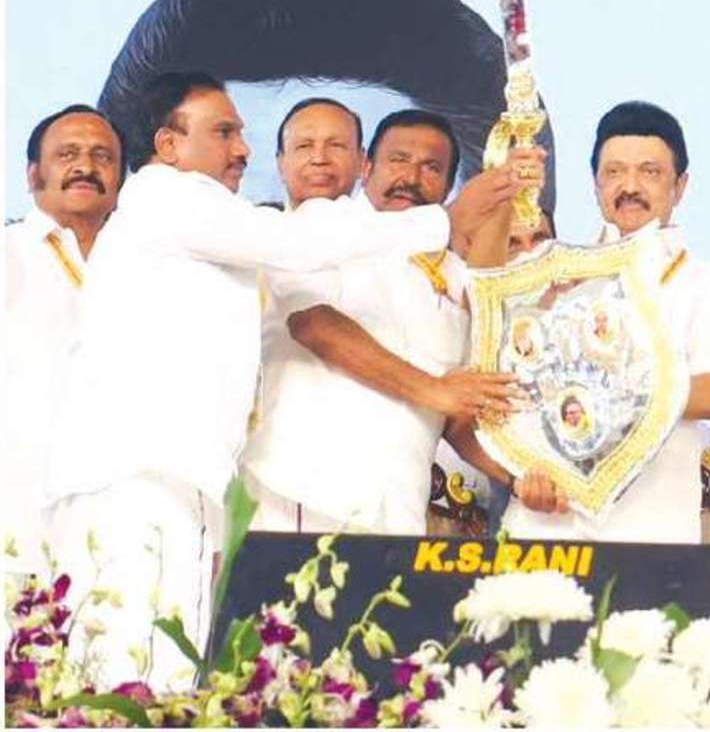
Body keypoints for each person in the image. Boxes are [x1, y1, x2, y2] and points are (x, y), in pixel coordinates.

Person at [41, 73, 523, 689]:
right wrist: (444, 220)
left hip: (163, 477)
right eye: (224, 132)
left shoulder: (188, 217)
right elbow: (294, 249)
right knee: (140, 678)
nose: (242, 149)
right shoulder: (169, 196)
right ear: (168, 145)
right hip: (144, 477)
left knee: (143, 674)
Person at [238, 107, 534, 535]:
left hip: (398, 511)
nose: (411, 177)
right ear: (367, 167)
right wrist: (436, 390)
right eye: (398, 160)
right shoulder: (321, 225)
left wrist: (521, 476)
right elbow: (314, 325)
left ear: (449, 184)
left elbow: (457, 408)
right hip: (304, 495)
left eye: (431, 167)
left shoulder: (452, 275)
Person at [495, 101, 710, 544]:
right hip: (545, 522)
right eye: (614, 172)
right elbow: (512, 389)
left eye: (650, 172)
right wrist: (519, 474)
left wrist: (594, 401)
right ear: (595, 184)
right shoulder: (554, 273)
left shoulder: (706, 283)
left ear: (680, 186)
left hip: (650, 529)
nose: (629, 187)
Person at [4, 105, 123, 573]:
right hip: (20, 506)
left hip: (120, 512)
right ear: (34, 174)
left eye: (102, 156)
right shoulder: (8, 252)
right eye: (67, 154)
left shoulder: (146, 262)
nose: (86, 167)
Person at [273, 97, 365, 206]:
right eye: (304, 146)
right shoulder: (259, 216)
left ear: (361, 161)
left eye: (336, 145)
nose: (319, 159)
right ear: (281, 164)